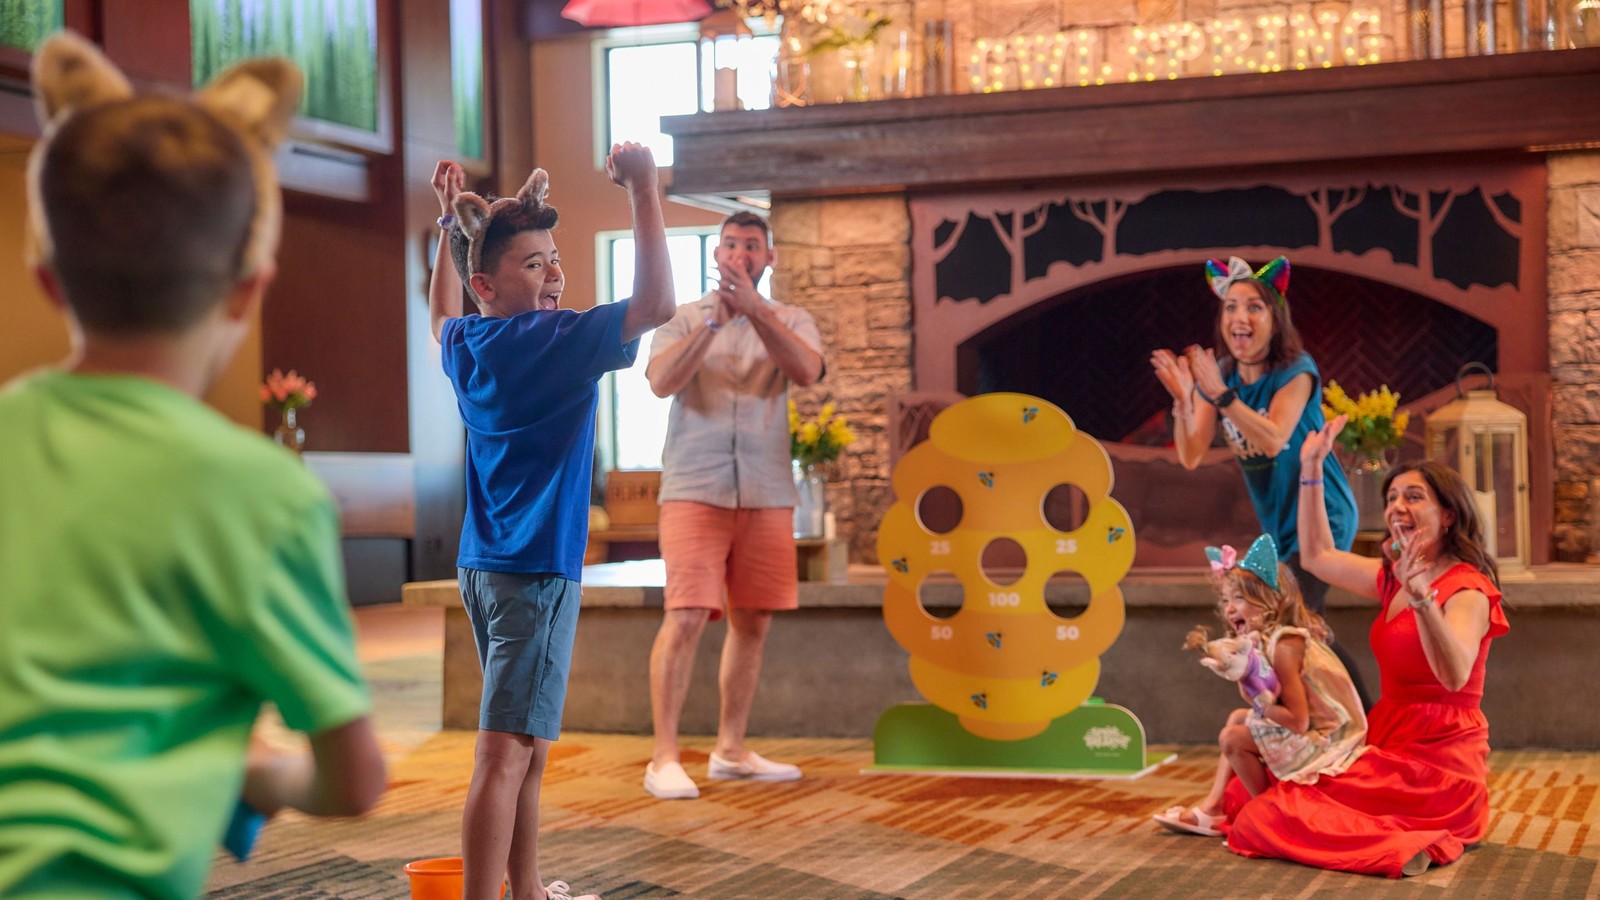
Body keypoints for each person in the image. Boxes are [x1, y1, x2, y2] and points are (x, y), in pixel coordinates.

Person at [0, 33, 385, 898]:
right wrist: (265, 777)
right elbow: (354, 778)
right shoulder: (264, 495)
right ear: (249, 287)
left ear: (47, 280)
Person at [428, 143, 674, 899]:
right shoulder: (555, 341)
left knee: (524, 749)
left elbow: (437, 316)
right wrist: (643, 189)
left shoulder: (469, 342)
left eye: (555, 260)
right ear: (486, 284)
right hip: (535, 575)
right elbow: (657, 306)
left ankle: (528, 890)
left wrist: (447, 228)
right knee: (504, 754)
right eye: (533, 265)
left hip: (483, 568)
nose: (554, 275)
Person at [1223, 419, 1509, 878]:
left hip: (1437, 767)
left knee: (1270, 812)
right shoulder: (1393, 578)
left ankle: (1408, 843)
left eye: (1413, 497)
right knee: (1252, 793)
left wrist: (1423, 599)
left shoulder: (1468, 589)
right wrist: (1311, 469)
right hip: (1384, 740)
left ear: (1448, 515)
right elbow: (1317, 556)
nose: (1397, 507)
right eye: (1391, 497)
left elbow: (1455, 676)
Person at [641, 212, 825, 800]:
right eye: (730, 244)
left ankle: (731, 750)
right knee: (687, 614)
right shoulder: (681, 316)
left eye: (751, 245)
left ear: (769, 257)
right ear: (716, 255)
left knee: (754, 620)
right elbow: (660, 382)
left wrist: (755, 311)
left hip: (767, 489)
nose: (740, 253)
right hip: (694, 486)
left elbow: (807, 370)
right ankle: (664, 758)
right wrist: (714, 324)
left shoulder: (791, 318)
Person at [1150, 255, 1372, 710]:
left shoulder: (1295, 370)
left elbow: (1273, 438)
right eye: (1231, 307)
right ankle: (1329, 723)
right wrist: (1184, 402)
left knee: (1298, 624)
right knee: (1300, 627)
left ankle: (1362, 720)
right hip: (1278, 523)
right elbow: (1191, 454)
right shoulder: (1222, 376)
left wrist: (1220, 396)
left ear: (1275, 319)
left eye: (1254, 307)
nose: (1241, 317)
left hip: (1321, 512)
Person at [1153, 534, 1366, 837]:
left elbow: (1297, 720)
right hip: (1311, 728)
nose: (1229, 609)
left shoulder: (1285, 646)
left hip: (1329, 740)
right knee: (1237, 719)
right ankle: (1214, 808)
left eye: (1239, 599)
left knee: (1232, 738)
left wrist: (1260, 702)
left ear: (1270, 600)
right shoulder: (1265, 642)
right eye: (1225, 600)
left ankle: (1270, 814)